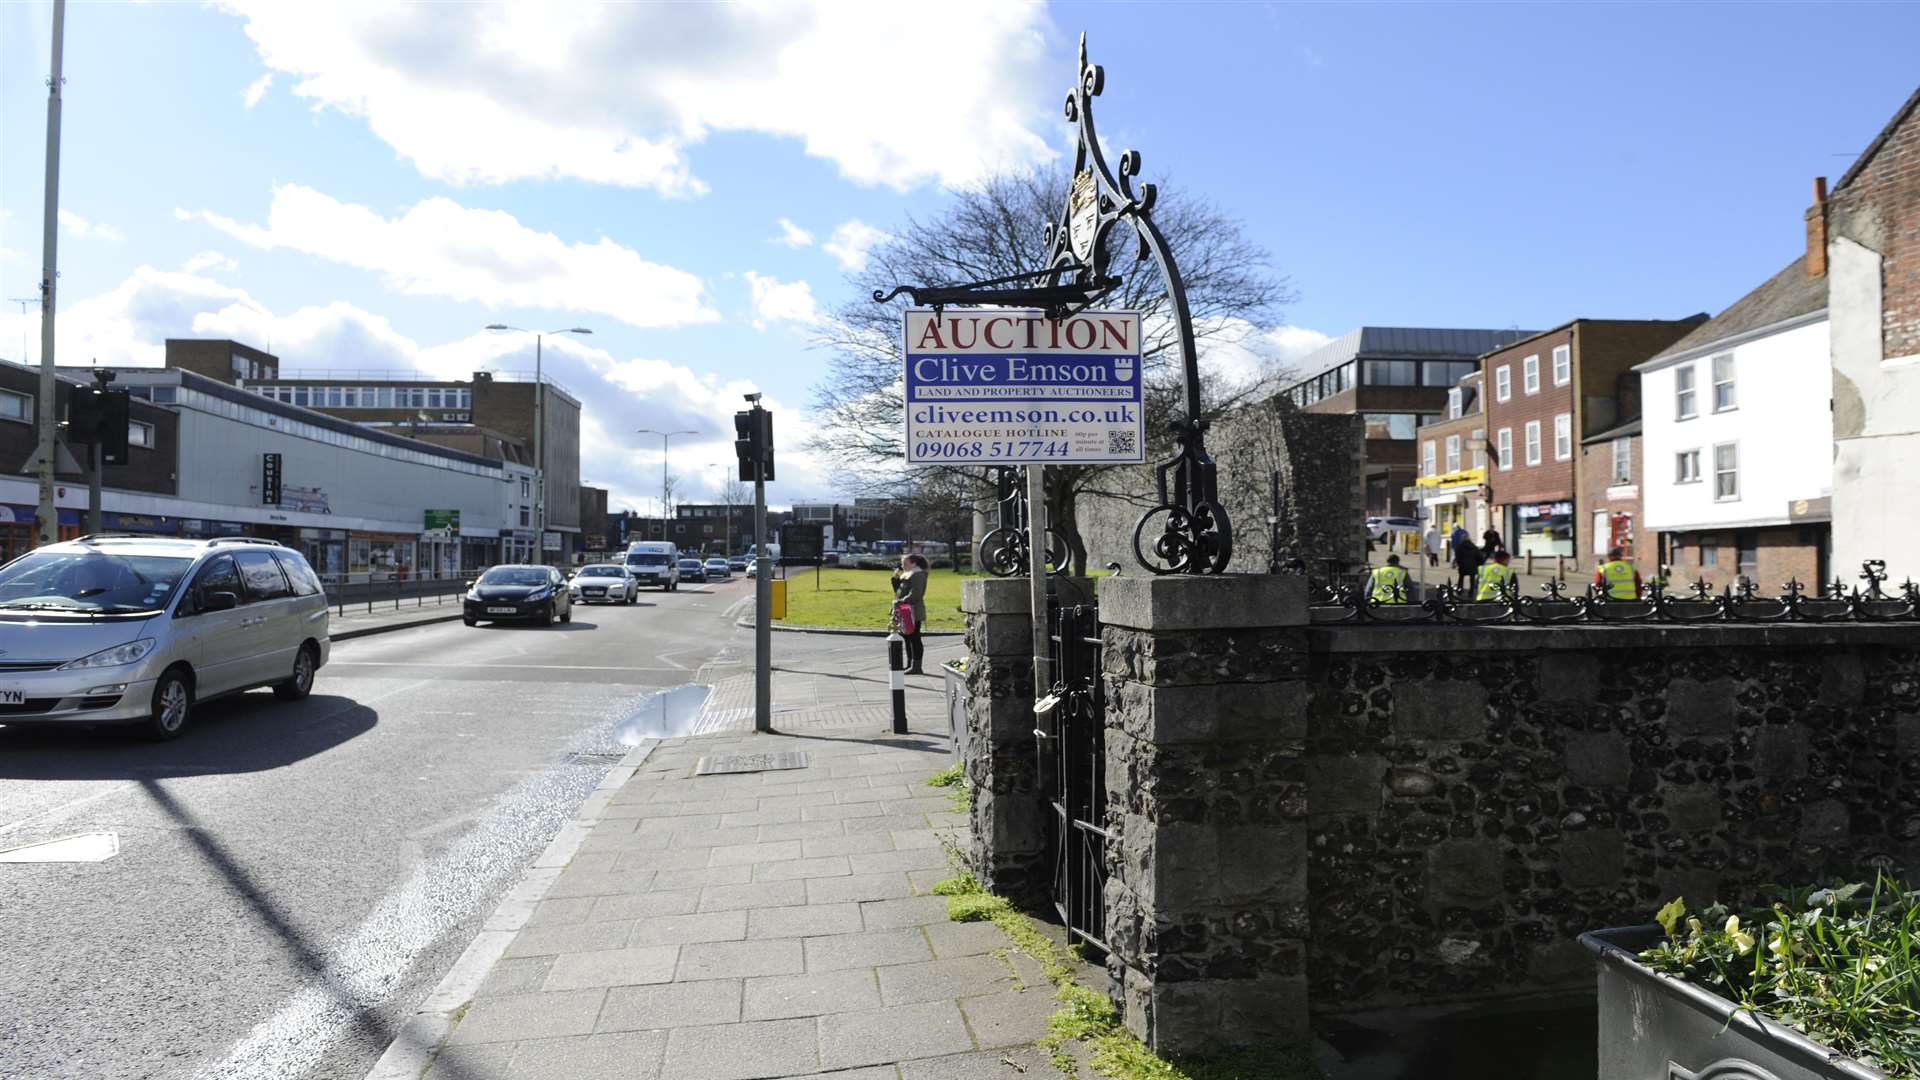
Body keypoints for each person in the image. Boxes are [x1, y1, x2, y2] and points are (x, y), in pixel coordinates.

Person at [890, 553, 930, 674]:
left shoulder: (918, 574)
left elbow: (916, 594)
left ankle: (916, 666)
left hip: (913, 610)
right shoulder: (907, 575)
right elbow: (898, 592)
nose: (902, 566)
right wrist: (895, 580)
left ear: (914, 563)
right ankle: (910, 664)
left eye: (905, 563)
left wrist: (900, 602)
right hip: (904, 610)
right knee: (907, 637)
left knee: (914, 638)